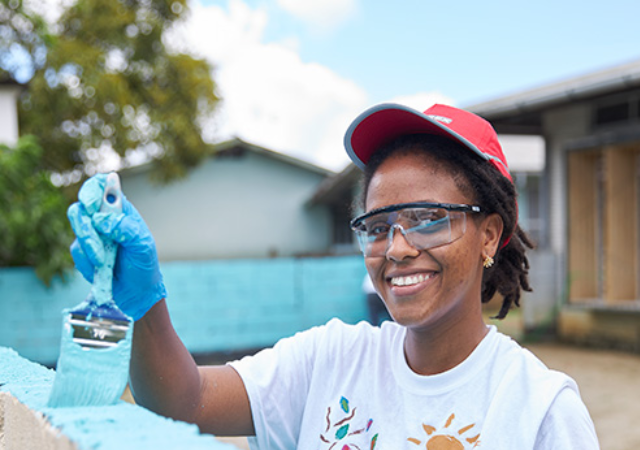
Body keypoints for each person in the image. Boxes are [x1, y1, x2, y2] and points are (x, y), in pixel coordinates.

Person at [68, 102, 600, 449]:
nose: (397, 248)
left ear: (489, 234)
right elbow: (185, 401)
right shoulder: (330, 360)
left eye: (426, 220)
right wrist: (142, 302)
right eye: (377, 225)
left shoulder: (539, 410)